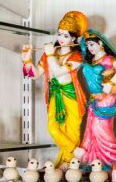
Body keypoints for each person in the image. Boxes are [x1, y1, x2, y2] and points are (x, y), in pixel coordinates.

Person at [21, 11, 88, 166]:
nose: (61, 39)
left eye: (66, 36)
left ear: (74, 38)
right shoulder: (49, 54)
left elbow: (58, 71)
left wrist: (50, 55)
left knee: (71, 130)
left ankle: (69, 164)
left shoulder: (76, 57)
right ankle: (74, 151)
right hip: (54, 94)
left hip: (70, 95)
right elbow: (34, 74)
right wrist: (27, 60)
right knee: (53, 128)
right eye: (60, 34)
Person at [76, 30, 116, 164]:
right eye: (88, 45)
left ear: (101, 44)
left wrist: (110, 84)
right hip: (94, 98)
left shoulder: (109, 59)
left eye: (92, 44)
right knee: (91, 128)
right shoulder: (92, 61)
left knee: (101, 128)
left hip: (107, 97)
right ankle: (95, 159)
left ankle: (112, 157)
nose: (90, 48)